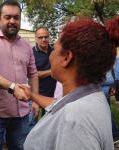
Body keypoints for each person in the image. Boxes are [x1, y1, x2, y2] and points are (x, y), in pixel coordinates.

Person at [19, 18, 118, 150]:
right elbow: (59, 104)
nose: (51, 56)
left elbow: (70, 115)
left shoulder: (73, 124)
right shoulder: (92, 93)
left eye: (54, 50)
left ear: (66, 58)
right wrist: (31, 94)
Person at [0, 1, 39, 150]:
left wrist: (36, 99)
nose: (12, 21)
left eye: (16, 17)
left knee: (20, 147)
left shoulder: (26, 45)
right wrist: (12, 87)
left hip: (21, 113)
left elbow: (33, 73)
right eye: (8, 17)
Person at [32, 26, 56, 117]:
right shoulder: (31, 53)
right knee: (32, 122)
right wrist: (51, 71)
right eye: (40, 37)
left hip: (53, 94)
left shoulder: (55, 51)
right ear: (36, 38)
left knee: (50, 121)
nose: (43, 39)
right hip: (37, 94)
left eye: (46, 37)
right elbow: (33, 74)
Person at [101, 69, 119, 148]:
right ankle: (115, 135)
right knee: (106, 112)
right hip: (102, 90)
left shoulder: (107, 63)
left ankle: (114, 135)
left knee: (105, 113)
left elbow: (112, 74)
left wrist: (112, 86)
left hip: (105, 89)